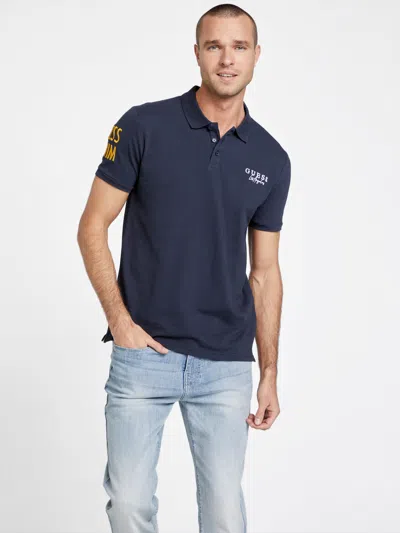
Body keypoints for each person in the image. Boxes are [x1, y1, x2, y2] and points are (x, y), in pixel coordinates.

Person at [77, 3, 291, 532]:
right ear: (197, 53)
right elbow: (92, 226)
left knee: (224, 513)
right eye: (215, 46)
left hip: (225, 363)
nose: (227, 59)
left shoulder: (271, 158)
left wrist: (269, 372)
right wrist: (120, 322)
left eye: (239, 47)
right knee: (129, 504)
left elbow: (265, 273)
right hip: (143, 353)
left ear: (257, 56)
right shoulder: (143, 125)